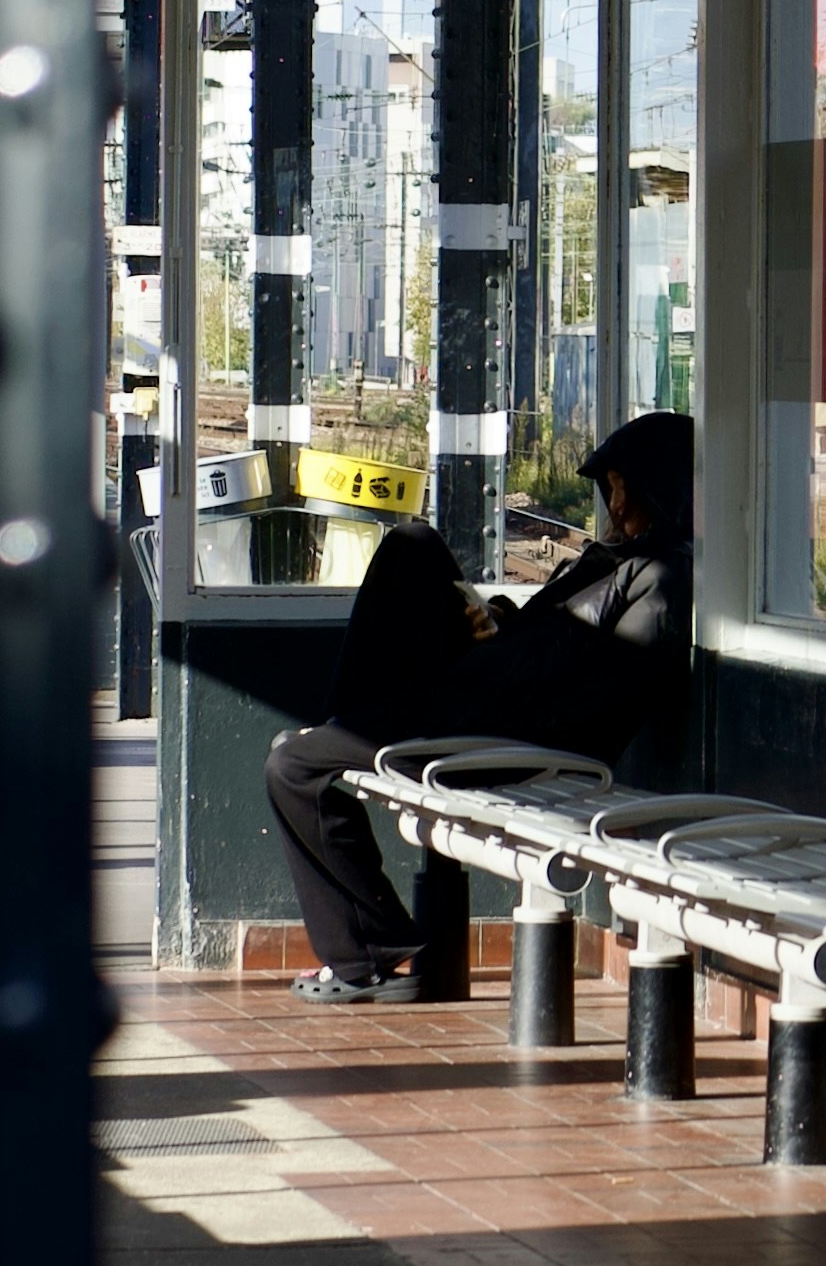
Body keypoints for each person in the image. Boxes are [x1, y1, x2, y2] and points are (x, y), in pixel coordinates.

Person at [265, 412, 696, 998]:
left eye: (625, 487)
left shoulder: (662, 580)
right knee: (412, 544)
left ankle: (363, 958)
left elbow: (599, 693)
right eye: (611, 487)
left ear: (662, 489)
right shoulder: (612, 560)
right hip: (482, 695)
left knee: (292, 768)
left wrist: (505, 666)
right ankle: (341, 727)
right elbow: (556, 640)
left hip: (500, 728)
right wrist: (499, 623)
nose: (614, 504)